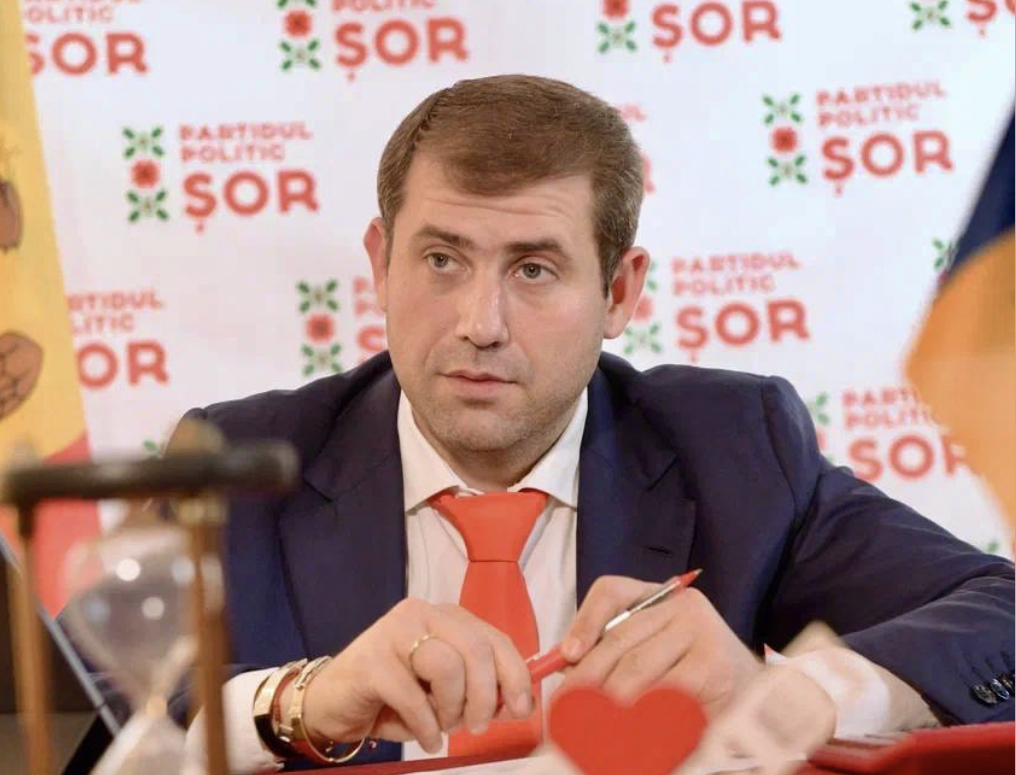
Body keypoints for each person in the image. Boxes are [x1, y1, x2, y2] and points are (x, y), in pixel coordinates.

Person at [174, 75, 1014, 771]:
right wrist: (298, 702)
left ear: (619, 292)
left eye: (534, 269)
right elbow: (131, 715)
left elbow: (1000, 611)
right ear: (380, 264)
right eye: (441, 259)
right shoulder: (235, 467)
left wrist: (792, 695)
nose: (479, 323)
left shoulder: (733, 447)